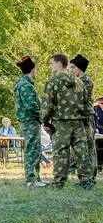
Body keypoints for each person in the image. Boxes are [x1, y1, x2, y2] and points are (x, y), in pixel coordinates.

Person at [41, 54, 94, 189]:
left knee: (61, 153)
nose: (50, 66)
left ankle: (58, 183)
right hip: (78, 122)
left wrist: (45, 121)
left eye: (51, 63)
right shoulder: (79, 81)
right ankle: (87, 181)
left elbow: (47, 104)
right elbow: (86, 104)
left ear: (59, 64)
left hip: (60, 123)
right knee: (82, 152)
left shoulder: (52, 81)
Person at [13, 56, 46, 186]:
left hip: (29, 121)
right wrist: (43, 117)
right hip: (30, 121)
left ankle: (35, 178)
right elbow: (31, 106)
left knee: (33, 149)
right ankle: (31, 179)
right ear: (32, 70)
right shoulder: (25, 85)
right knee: (32, 149)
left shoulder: (23, 83)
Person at [69, 54, 96, 179]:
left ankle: (90, 176)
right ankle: (84, 176)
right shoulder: (78, 81)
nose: (71, 70)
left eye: (73, 68)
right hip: (80, 117)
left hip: (86, 117)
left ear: (79, 68)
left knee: (89, 146)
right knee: (81, 146)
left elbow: (77, 99)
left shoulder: (86, 81)